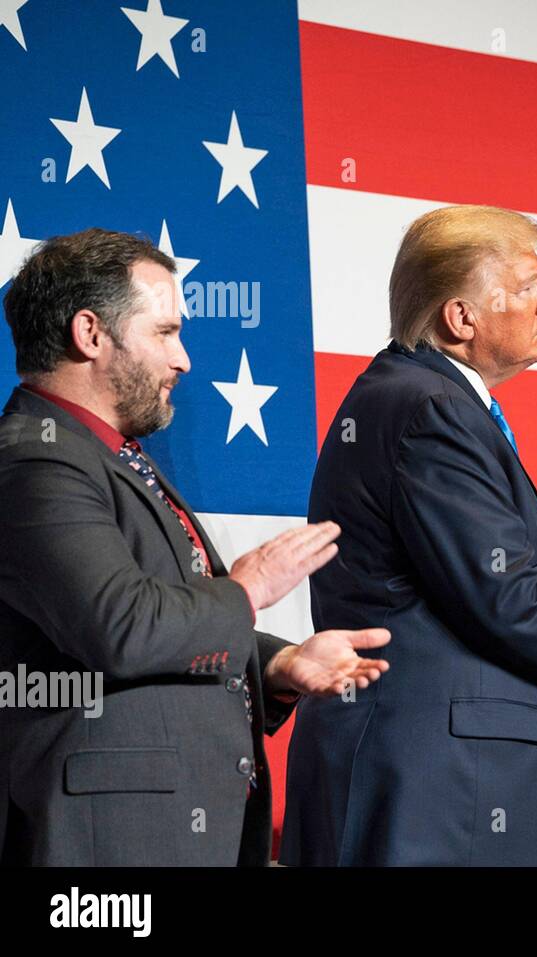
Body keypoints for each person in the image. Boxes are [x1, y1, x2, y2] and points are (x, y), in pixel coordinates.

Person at [280, 205, 537, 866]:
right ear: (462, 317)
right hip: (443, 801)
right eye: (529, 285)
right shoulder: (430, 410)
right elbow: (510, 600)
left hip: (436, 789)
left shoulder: (416, 398)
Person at [0, 228, 391, 866]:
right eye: (165, 332)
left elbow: (163, 612)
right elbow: (120, 625)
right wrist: (248, 589)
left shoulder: (109, 458)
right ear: (91, 334)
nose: (183, 360)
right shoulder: (34, 460)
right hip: (109, 844)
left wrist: (273, 666)